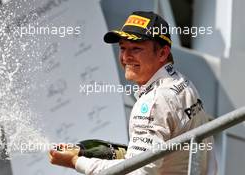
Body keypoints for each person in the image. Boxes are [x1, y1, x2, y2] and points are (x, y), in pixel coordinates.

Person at [49, 11, 217, 175]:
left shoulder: (152, 102)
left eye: (136, 48)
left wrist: (76, 162)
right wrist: (84, 153)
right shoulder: (183, 83)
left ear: (162, 53)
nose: (126, 57)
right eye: (123, 48)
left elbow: (136, 171)